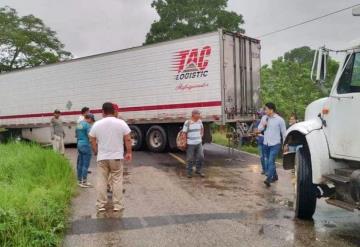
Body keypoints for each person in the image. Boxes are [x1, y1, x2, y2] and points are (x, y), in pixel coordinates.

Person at [89, 102, 132, 213]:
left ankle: (101, 205)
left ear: (103, 112)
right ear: (114, 111)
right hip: (116, 157)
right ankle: (117, 205)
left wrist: (96, 150)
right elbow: (127, 139)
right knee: (117, 180)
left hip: (102, 157)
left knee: (102, 180)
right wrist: (129, 152)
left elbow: (91, 139)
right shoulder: (121, 123)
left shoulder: (97, 124)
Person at [258, 102, 286, 187]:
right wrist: (263, 125)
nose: (264, 111)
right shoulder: (264, 118)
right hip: (266, 143)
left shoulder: (280, 120)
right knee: (270, 161)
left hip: (275, 144)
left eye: (266, 109)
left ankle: (268, 179)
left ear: (271, 110)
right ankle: (275, 176)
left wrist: (285, 144)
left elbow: (284, 133)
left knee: (270, 161)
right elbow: (259, 129)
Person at [182, 109, 205, 178]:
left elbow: (202, 128)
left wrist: (201, 135)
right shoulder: (187, 122)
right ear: (193, 115)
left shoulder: (200, 121)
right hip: (190, 143)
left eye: (199, 114)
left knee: (201, 156)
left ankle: (198, 170)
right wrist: (185, 142)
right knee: (190, 158)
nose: (199, 115)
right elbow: (184, 133)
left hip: (199, 143)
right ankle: (189, 172)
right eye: (198, 114)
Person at [76, 113, 95, 188]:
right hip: (85, 145)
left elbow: (76, 135)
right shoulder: (87, 125)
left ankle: (79, 181)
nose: (91, 122)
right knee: (85, 165)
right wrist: (94, 146)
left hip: (79, 144)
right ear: (89, 118)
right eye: (92, 120)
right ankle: (84, 182)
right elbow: (90, 137)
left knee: (80, 164)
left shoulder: (79, 124)